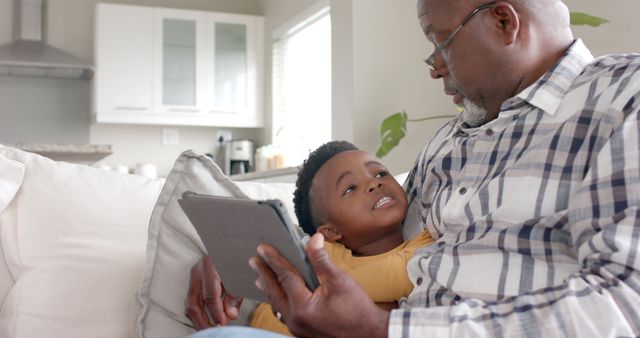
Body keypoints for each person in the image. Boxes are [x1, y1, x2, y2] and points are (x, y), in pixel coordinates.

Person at [187, 0, 640, 336]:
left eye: (439, 41)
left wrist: (382, 329)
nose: (435, 68)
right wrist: (256, 258)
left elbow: (625, 306)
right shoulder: (448, 141)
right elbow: (366, 235)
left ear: (504, 22)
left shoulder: (624, 99)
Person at [249, 141, 432, 335]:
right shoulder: (323, 253)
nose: (374, 183)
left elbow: (406, 271)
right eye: (350, 188)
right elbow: (267, 309)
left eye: (380, 173)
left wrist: (317, 295)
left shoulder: (426, 243)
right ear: (330, 232)